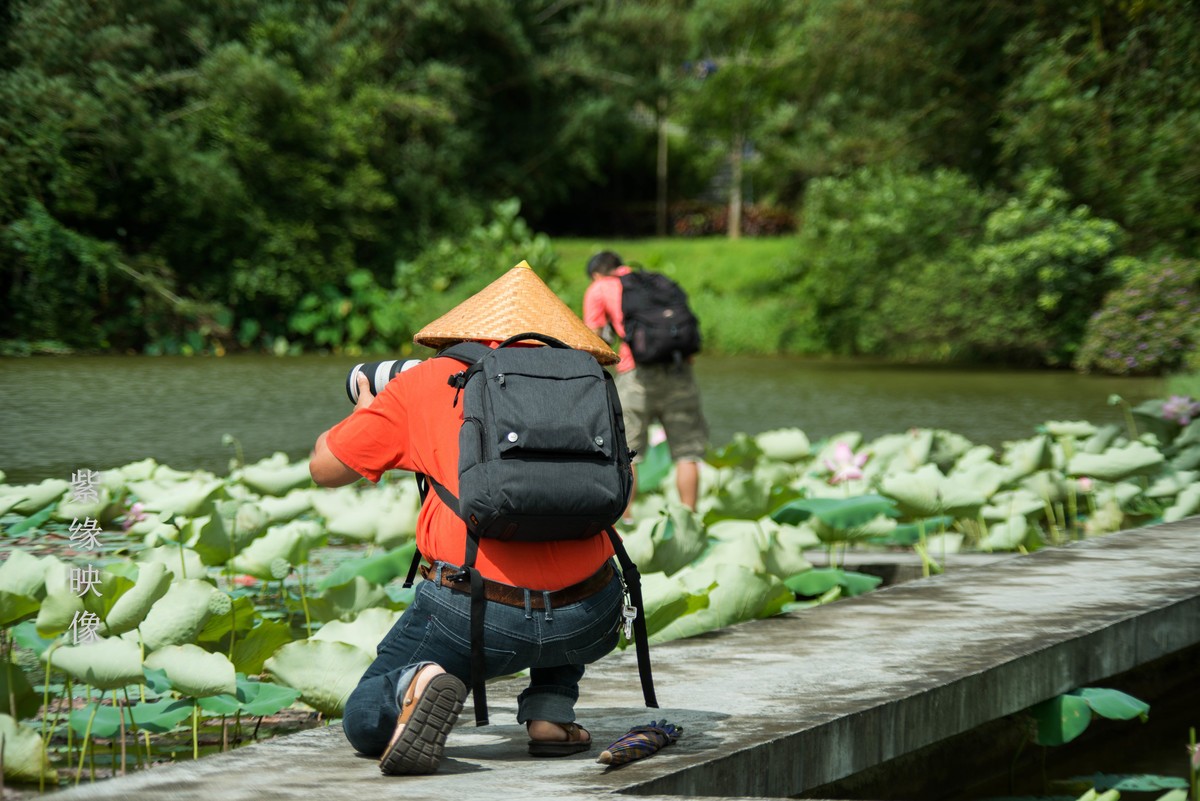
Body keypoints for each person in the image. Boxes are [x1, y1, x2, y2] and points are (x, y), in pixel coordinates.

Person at [309, 263, 627, 775]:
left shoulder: (431, 380)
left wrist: (365, 411)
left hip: (477, 619)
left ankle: (419, 681)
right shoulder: (586, 382)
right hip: (591, 617)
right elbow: (615, 501)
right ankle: (551, 710)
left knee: (365, 717)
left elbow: (324, 469)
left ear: (463, 330)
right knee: (558, 524)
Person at [582, 250, 708, 516]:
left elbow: (593, 340)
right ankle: (691, 519)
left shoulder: (600, 288)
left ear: (596, 273)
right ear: (621, 266)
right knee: (687, 453)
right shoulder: (656, 282)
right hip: (679, 371)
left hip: (635, 375)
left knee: (628, 454)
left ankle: (626, 524)